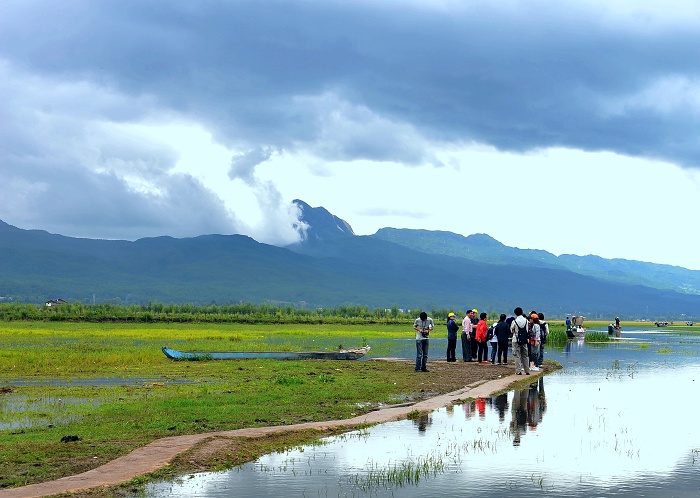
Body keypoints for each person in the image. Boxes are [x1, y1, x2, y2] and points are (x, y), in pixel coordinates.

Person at [511, 307, 530, 375]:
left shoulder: (515, 321)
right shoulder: (526, 321)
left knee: (517, 355)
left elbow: (512, 330)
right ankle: (527, 371)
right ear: (522, 312)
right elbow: (527, 330)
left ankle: (518, 371)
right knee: (525, 355)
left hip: (516, 340)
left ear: (515, 313)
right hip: (524, 340)